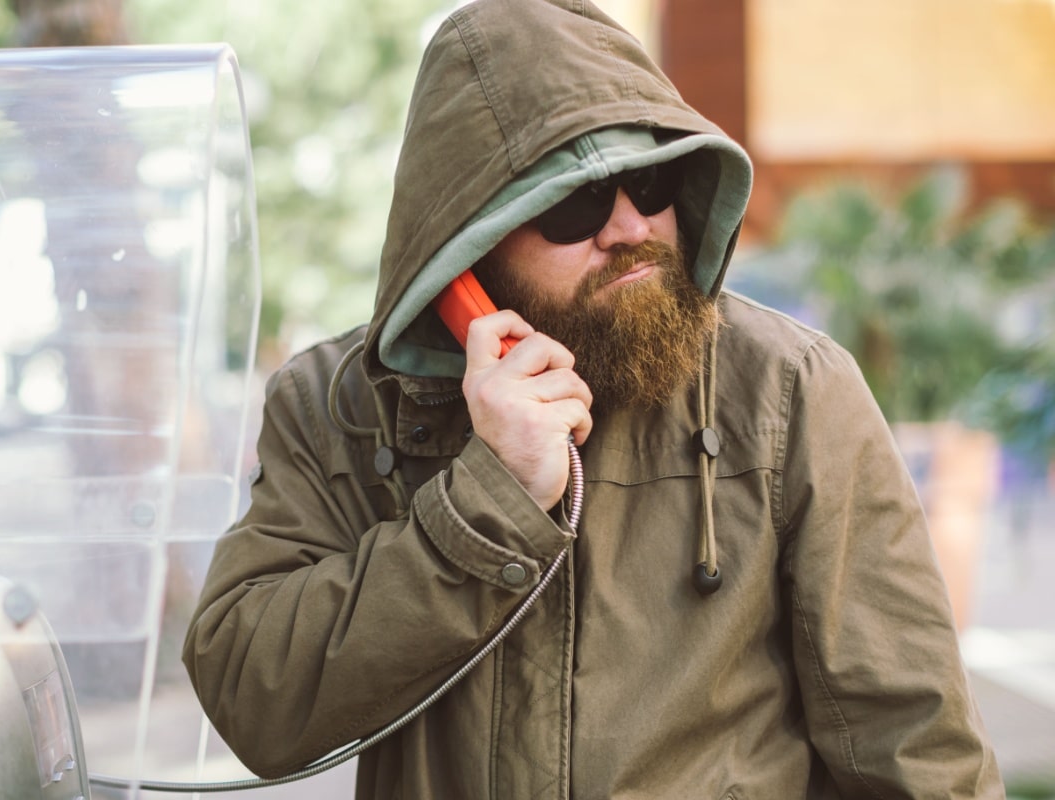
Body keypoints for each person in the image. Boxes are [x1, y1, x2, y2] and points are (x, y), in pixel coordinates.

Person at [183, 0, 1005, 797]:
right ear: (463, 248)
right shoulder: (338, 407)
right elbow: (253, 703)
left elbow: (918, 745)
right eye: (574, 204)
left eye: (649, 184)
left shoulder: (789, 390)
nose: (628, 228)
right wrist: (487, 502)